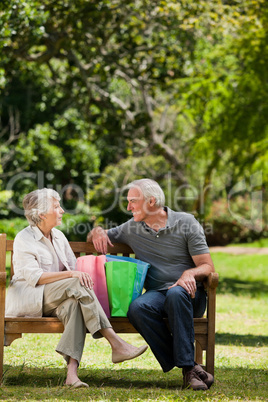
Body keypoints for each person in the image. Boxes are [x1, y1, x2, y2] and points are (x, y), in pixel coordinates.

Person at [5, 188, 147, 388]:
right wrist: (72, 275)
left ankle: (72, 375)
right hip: (30, 297)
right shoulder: (24, 238)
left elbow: (73, 268)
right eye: (56, 206)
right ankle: (115, 342)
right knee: (75, 282)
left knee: (74, 305)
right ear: (41, 213)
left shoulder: (59, 237)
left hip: (56, 298)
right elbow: (35, 277)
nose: (62, 210)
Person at [87, 178, 215, 391]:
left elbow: (207, 266)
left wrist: (188, 275)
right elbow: (98, 235)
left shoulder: (186, 222)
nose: (128, 207)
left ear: (152, 201)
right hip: (158, 295)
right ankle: (191, 367)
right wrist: (97, 231)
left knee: (176, 294)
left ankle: (187, 369)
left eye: (133, 201)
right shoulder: (132, 228)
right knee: (137, 308)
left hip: (190, 296)